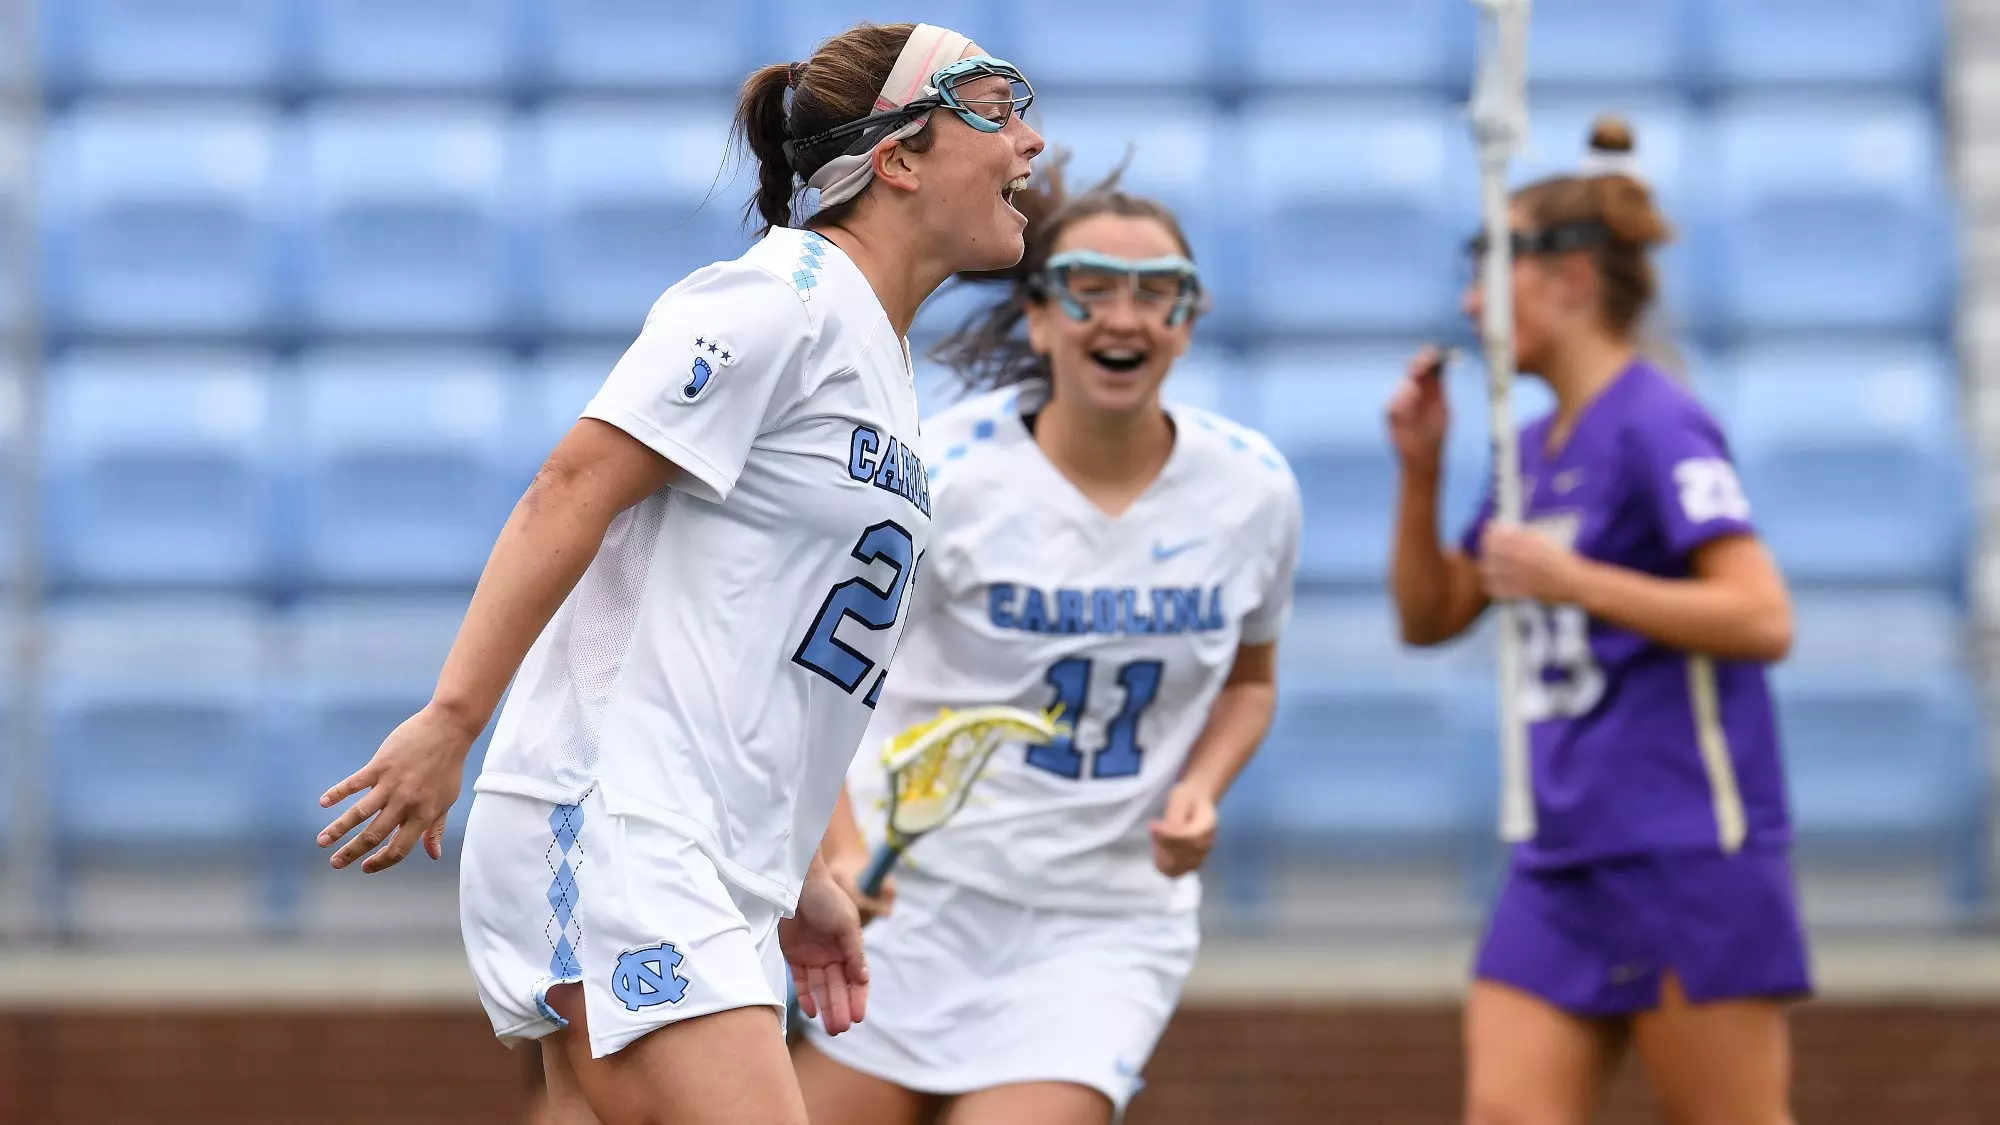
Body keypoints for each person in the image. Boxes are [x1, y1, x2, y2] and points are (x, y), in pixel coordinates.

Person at [312, 23, 1043, 1125]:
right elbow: (570, 484)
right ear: (894, 157)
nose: (1029, 141)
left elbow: (749, 646)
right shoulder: (781, 296)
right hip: (614, 826)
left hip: (711, 859)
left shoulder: (876, 360)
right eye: (992, 108)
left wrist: (797, 879)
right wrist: (451, 718)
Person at [792, 164, 1303, 1125]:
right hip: (911, 902)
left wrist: (1200, 790)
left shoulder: (1254, 490)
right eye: (1093, 288)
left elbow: (1250, 682)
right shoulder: (943, 470)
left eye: (1159, 294)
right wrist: (845, 848)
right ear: (1039, 317)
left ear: (1187, 323)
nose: (1126, 317)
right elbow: (823, 680)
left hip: (1101, 926)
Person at [1387, 116, 1811, 1125]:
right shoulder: (1523, 444)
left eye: (1488, 270)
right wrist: (1419, 471)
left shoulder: (1656, 419)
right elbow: (1432, 616)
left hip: (1680, 848)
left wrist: (1579, 580)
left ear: (1569, 278)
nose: (1468, 303)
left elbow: (1760, 616)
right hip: (1556, 849)